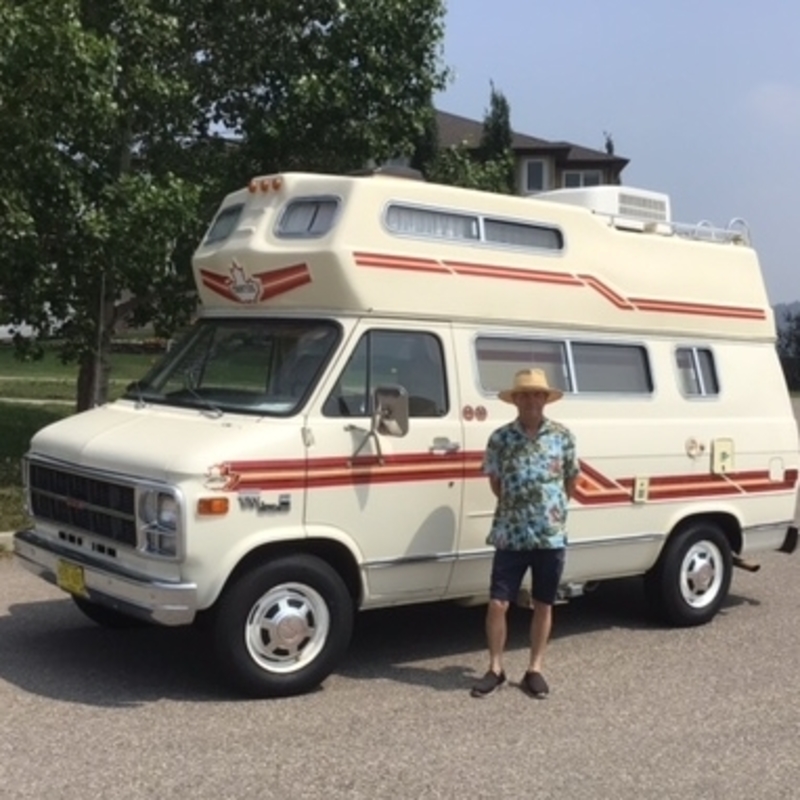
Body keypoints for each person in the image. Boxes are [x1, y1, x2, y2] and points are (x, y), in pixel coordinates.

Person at [471, 368, 579, 699]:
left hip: (549, 535)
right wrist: (517, 509)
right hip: (511, 533)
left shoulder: (562, 436)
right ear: (514, 400)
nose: (531, 400)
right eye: (524, 394)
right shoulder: (500, 438)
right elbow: (495, 482)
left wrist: (553, 511)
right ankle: (496, 668)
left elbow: (570, 480)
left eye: (537, 394)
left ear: (545, 399)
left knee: (543, 603)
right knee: (498, 603)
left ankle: (535, 669)